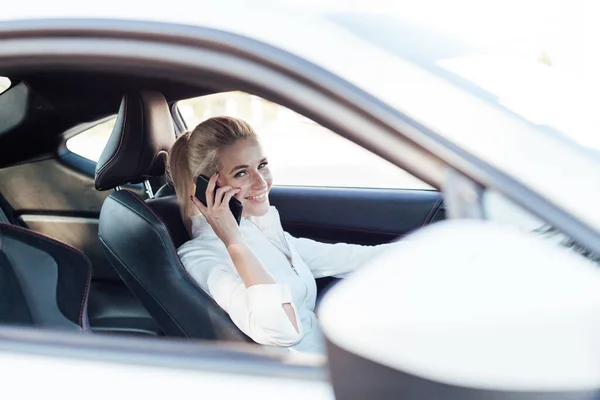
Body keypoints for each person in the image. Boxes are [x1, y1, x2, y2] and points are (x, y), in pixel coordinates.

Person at [168, 116, 394, 354]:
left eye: (262, 166)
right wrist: (233, 241)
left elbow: (350, 257)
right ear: (207, 188)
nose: (261, 182)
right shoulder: (200, 256)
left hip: (335, 355)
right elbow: (283, 330)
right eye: (241, 174)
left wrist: (430, 250)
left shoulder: (262, 231)